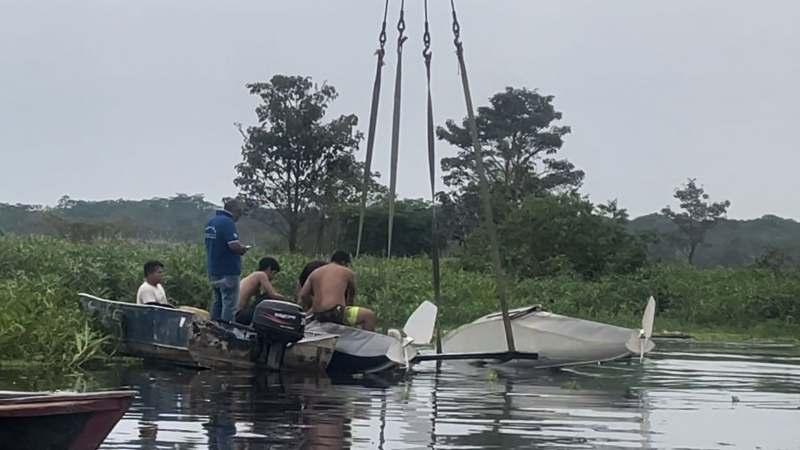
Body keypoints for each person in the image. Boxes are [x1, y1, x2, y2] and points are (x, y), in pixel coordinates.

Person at [298, 250, 376, 331]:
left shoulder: (315, 272)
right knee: (369, 316)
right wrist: (347, 309)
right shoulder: (347, 272)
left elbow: (303, 295)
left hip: (318, 314)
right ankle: (366, 343)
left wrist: (313, 306)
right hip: (336, 313)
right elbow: (351, 295)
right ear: (344, 263)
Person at [205, 199, 249, 322]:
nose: (239, 217)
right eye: (239, 213)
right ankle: (226, 332)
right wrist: (243, 249)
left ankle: (212, 329)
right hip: (228, 271)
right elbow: (233, 245)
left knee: (217, 301)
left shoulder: (211, 222)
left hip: (213, 270)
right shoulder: (227, 223)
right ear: (235, 211)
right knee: (229, 304)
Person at [234, 256, 287, 325]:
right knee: (267, 299)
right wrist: (287, 301)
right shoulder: (261, 274)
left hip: (236, 312)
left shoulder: (253, 276)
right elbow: (273, 294)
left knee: (264, 298)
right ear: (269, 269)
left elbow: (258, 298)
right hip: (239, 313)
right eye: (274, 273)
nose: (273, 277)